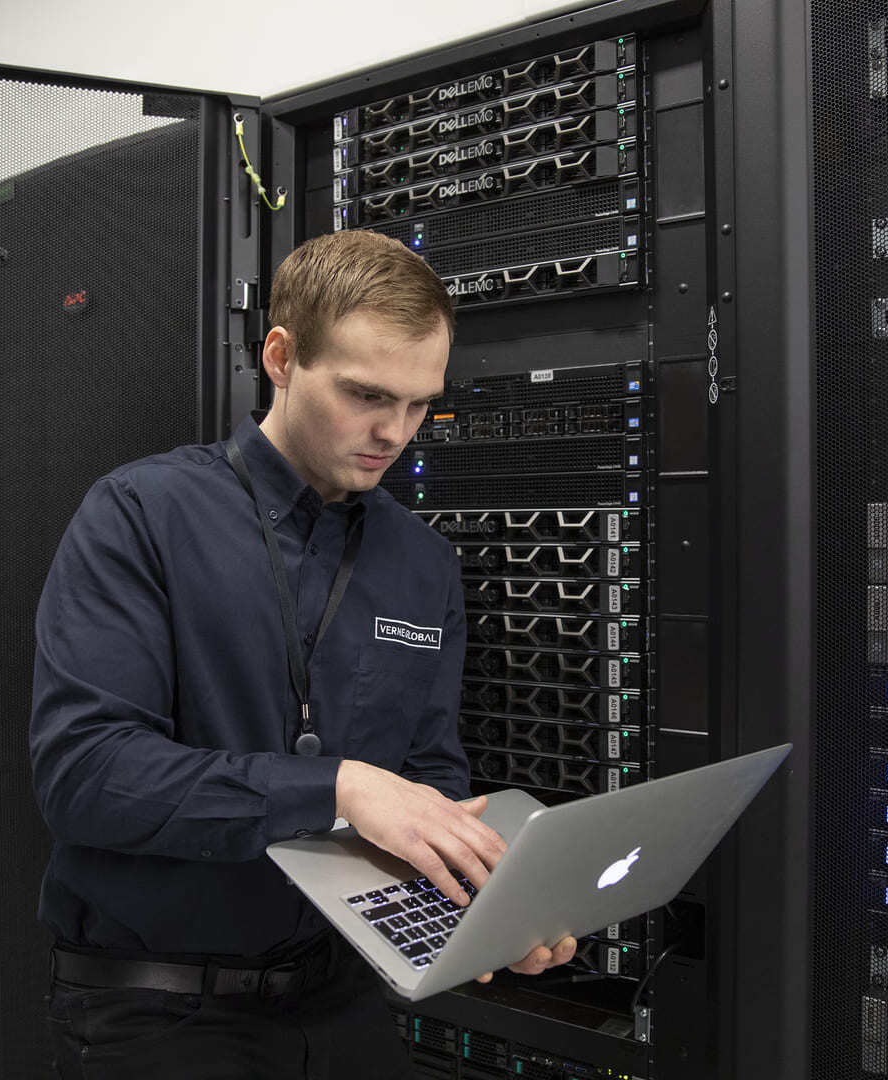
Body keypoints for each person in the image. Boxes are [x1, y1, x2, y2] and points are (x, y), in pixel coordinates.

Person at [30, 229, 575, 1079]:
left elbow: (430, 775)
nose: (394, 432)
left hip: (345, 1003)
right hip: (161, 1011)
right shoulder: (141, 514)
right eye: (365, 395)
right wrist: (340, 788)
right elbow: (87, 775)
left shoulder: (420, 560)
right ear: (281, 357)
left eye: (421, 403)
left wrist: (485, 900)